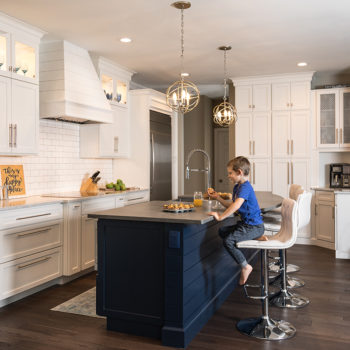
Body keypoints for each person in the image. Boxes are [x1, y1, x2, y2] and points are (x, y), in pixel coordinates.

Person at [208, 156, 265, 285]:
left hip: (253, 226)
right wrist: (218, 197)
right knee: (223, 231)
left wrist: (221, 217)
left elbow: (236, 206)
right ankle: (256, 237)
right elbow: (232, 205)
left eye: (230, 173)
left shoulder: (245, 187)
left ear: (239, 172)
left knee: (228, 241)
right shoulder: (237, 187)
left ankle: (245, 266)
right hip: (248, 225)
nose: (228, 176)